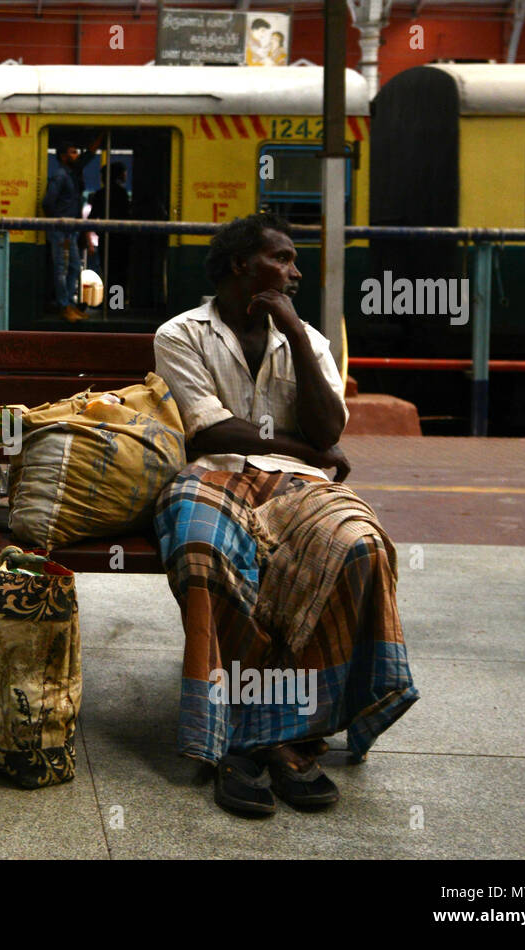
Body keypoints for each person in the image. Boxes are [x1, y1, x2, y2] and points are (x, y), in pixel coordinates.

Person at [152, 213, 418, 816]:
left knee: (359, 546)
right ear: (242, 265)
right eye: (283, 258)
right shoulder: (181, 334)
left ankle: (285, 729)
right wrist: (304, 448)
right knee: (201, 550)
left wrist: (295, 334)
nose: (295, 272)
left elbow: (328, 429)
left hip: (299, 484)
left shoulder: (310, 340)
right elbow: (208, 429)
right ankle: (242, 737)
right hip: (214, 472)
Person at [42, 134, 103, 322]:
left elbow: (87, 157)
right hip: (61, 230)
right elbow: (48, 203)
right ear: (63, 156)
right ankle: (64, 306)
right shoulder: (60, 176)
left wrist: (99, 138)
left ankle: (69, 303)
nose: (77, 155)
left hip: (71, 230)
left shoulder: (72, 173)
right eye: (73, 152)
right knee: (62, 269)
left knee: (74, 267)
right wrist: (59, 222)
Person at [88, 162, 132, 307]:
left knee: (108, 271)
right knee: (119, 272)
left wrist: (100, 231)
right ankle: (116, 303)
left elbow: (92, 217)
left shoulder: (100, 194)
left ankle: (110, 301)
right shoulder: (121, 193)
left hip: (106, 238)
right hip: (121, 239)